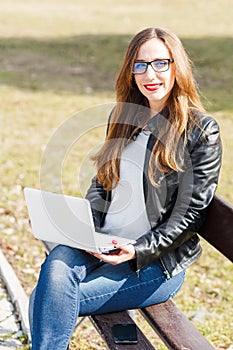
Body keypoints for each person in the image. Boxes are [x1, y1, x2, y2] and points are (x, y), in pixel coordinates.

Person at [29, 27, 222, 349]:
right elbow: (103, 182)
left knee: (49, 297)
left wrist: (138, 249)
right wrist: (82, 225)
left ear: (178, 67)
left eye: (161, 63)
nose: (150, 73)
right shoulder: (126, 117)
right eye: (140, 64)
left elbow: (191, 214)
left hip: (153, 264)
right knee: (57, 269)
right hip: (101, 242)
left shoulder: (200, 131)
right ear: (130, 72)